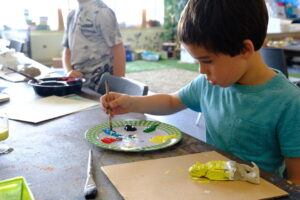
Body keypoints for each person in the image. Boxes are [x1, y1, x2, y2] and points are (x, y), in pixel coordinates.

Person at [101, 0, 300, 185]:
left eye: (207, 61)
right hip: (211, 184)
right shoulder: (208, 84)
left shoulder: (289, 103)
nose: (201, 72)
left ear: (244, 49)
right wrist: (131, 103)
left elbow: (296, 181)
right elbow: (171, 101)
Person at [62, 0, 125, 91]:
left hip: (102, 85)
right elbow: (67, 51)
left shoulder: (103, 12)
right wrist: (68, 70)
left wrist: (118, 87)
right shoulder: (71, 15)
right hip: (78, 84)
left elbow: (118, 51)